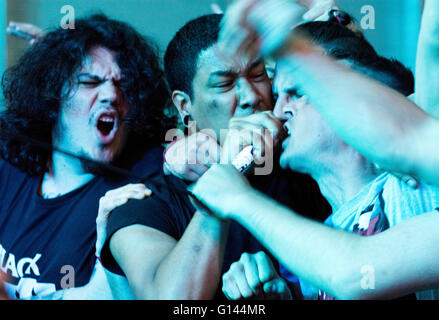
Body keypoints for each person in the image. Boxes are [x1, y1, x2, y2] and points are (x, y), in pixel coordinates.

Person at [191, 0, 439, 299]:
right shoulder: (308, 257)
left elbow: (432, 42)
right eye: (279, 94)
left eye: (296, 92)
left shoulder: (416, 185)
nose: (279, 110)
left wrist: (238, 198)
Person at [98, 13, 330, 300]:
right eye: (224, 85)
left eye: (258, 75)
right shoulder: (144, 201)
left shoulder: (306, 167)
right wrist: (226, 173)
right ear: (185, 106)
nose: (250, 96)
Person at [0, 14, 173, 299]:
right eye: (90, 81)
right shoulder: (11, 165)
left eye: (123, 85)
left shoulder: (144, 183)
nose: (110, 95)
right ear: (53, 95)